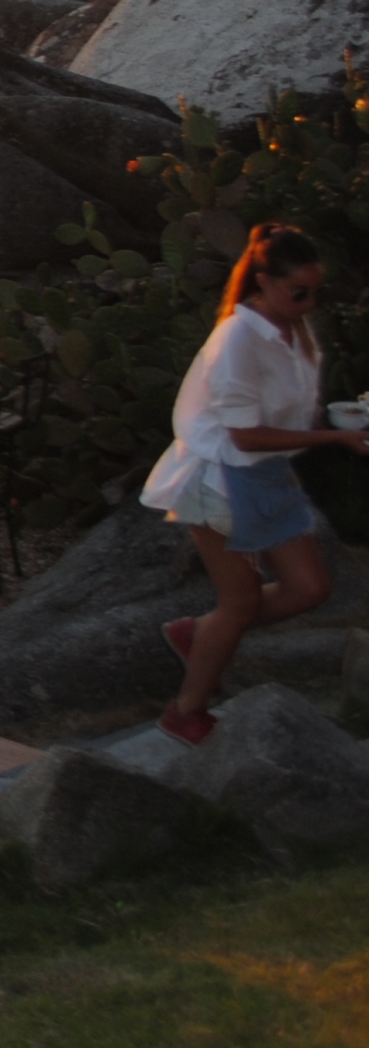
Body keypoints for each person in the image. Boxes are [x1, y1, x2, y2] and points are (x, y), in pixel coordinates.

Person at [140, 225, 365, 746]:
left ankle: (198, 635)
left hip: (266, 475)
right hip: (218, 477)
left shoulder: (293, 332)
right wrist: (335, 439)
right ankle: (185, 710)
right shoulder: (238, 339)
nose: (310, 302)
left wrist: (339, 426)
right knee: (238, 604)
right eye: (299, 292)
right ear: (263, 282)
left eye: (316, 291)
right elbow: (242, 435)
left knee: (310, 588)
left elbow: (284, 417)